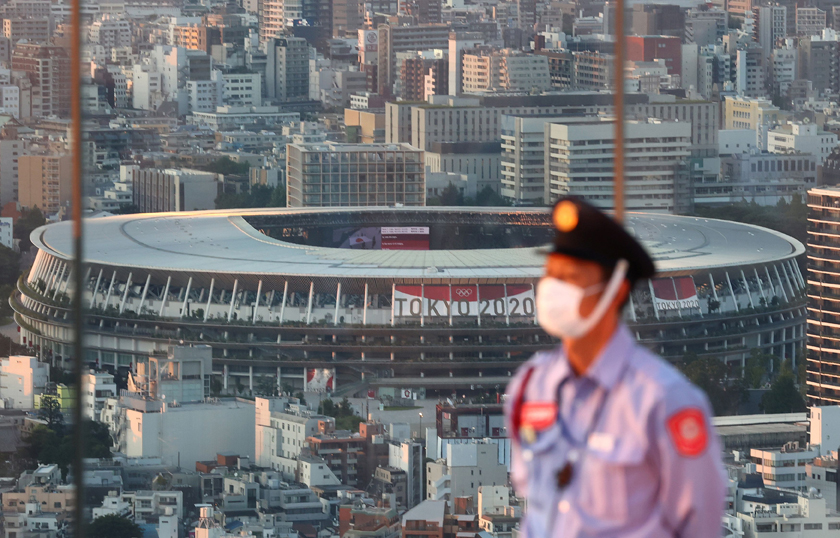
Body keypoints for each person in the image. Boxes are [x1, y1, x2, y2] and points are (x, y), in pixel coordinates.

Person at [504, 197, 726, 538]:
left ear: (616, 290)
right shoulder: (530, 387)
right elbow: (534, 509)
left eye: (570, 277)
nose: (552, 288)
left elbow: (699, 525)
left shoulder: (664, 400)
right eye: (551, 274)